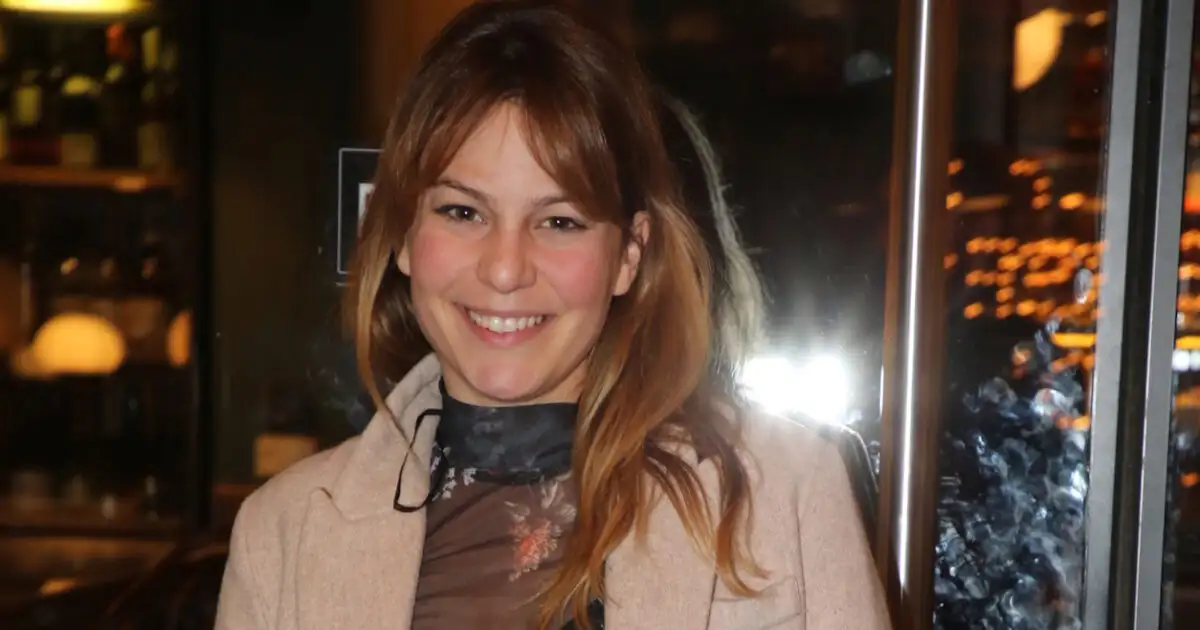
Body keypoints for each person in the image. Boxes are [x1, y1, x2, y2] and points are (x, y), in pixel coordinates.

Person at [214, 1, 890, 628]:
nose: (505, 269)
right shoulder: (283, 535)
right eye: (463, 212)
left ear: (629, 255)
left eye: (560, 221)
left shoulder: (783, 494)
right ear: (401, 236)